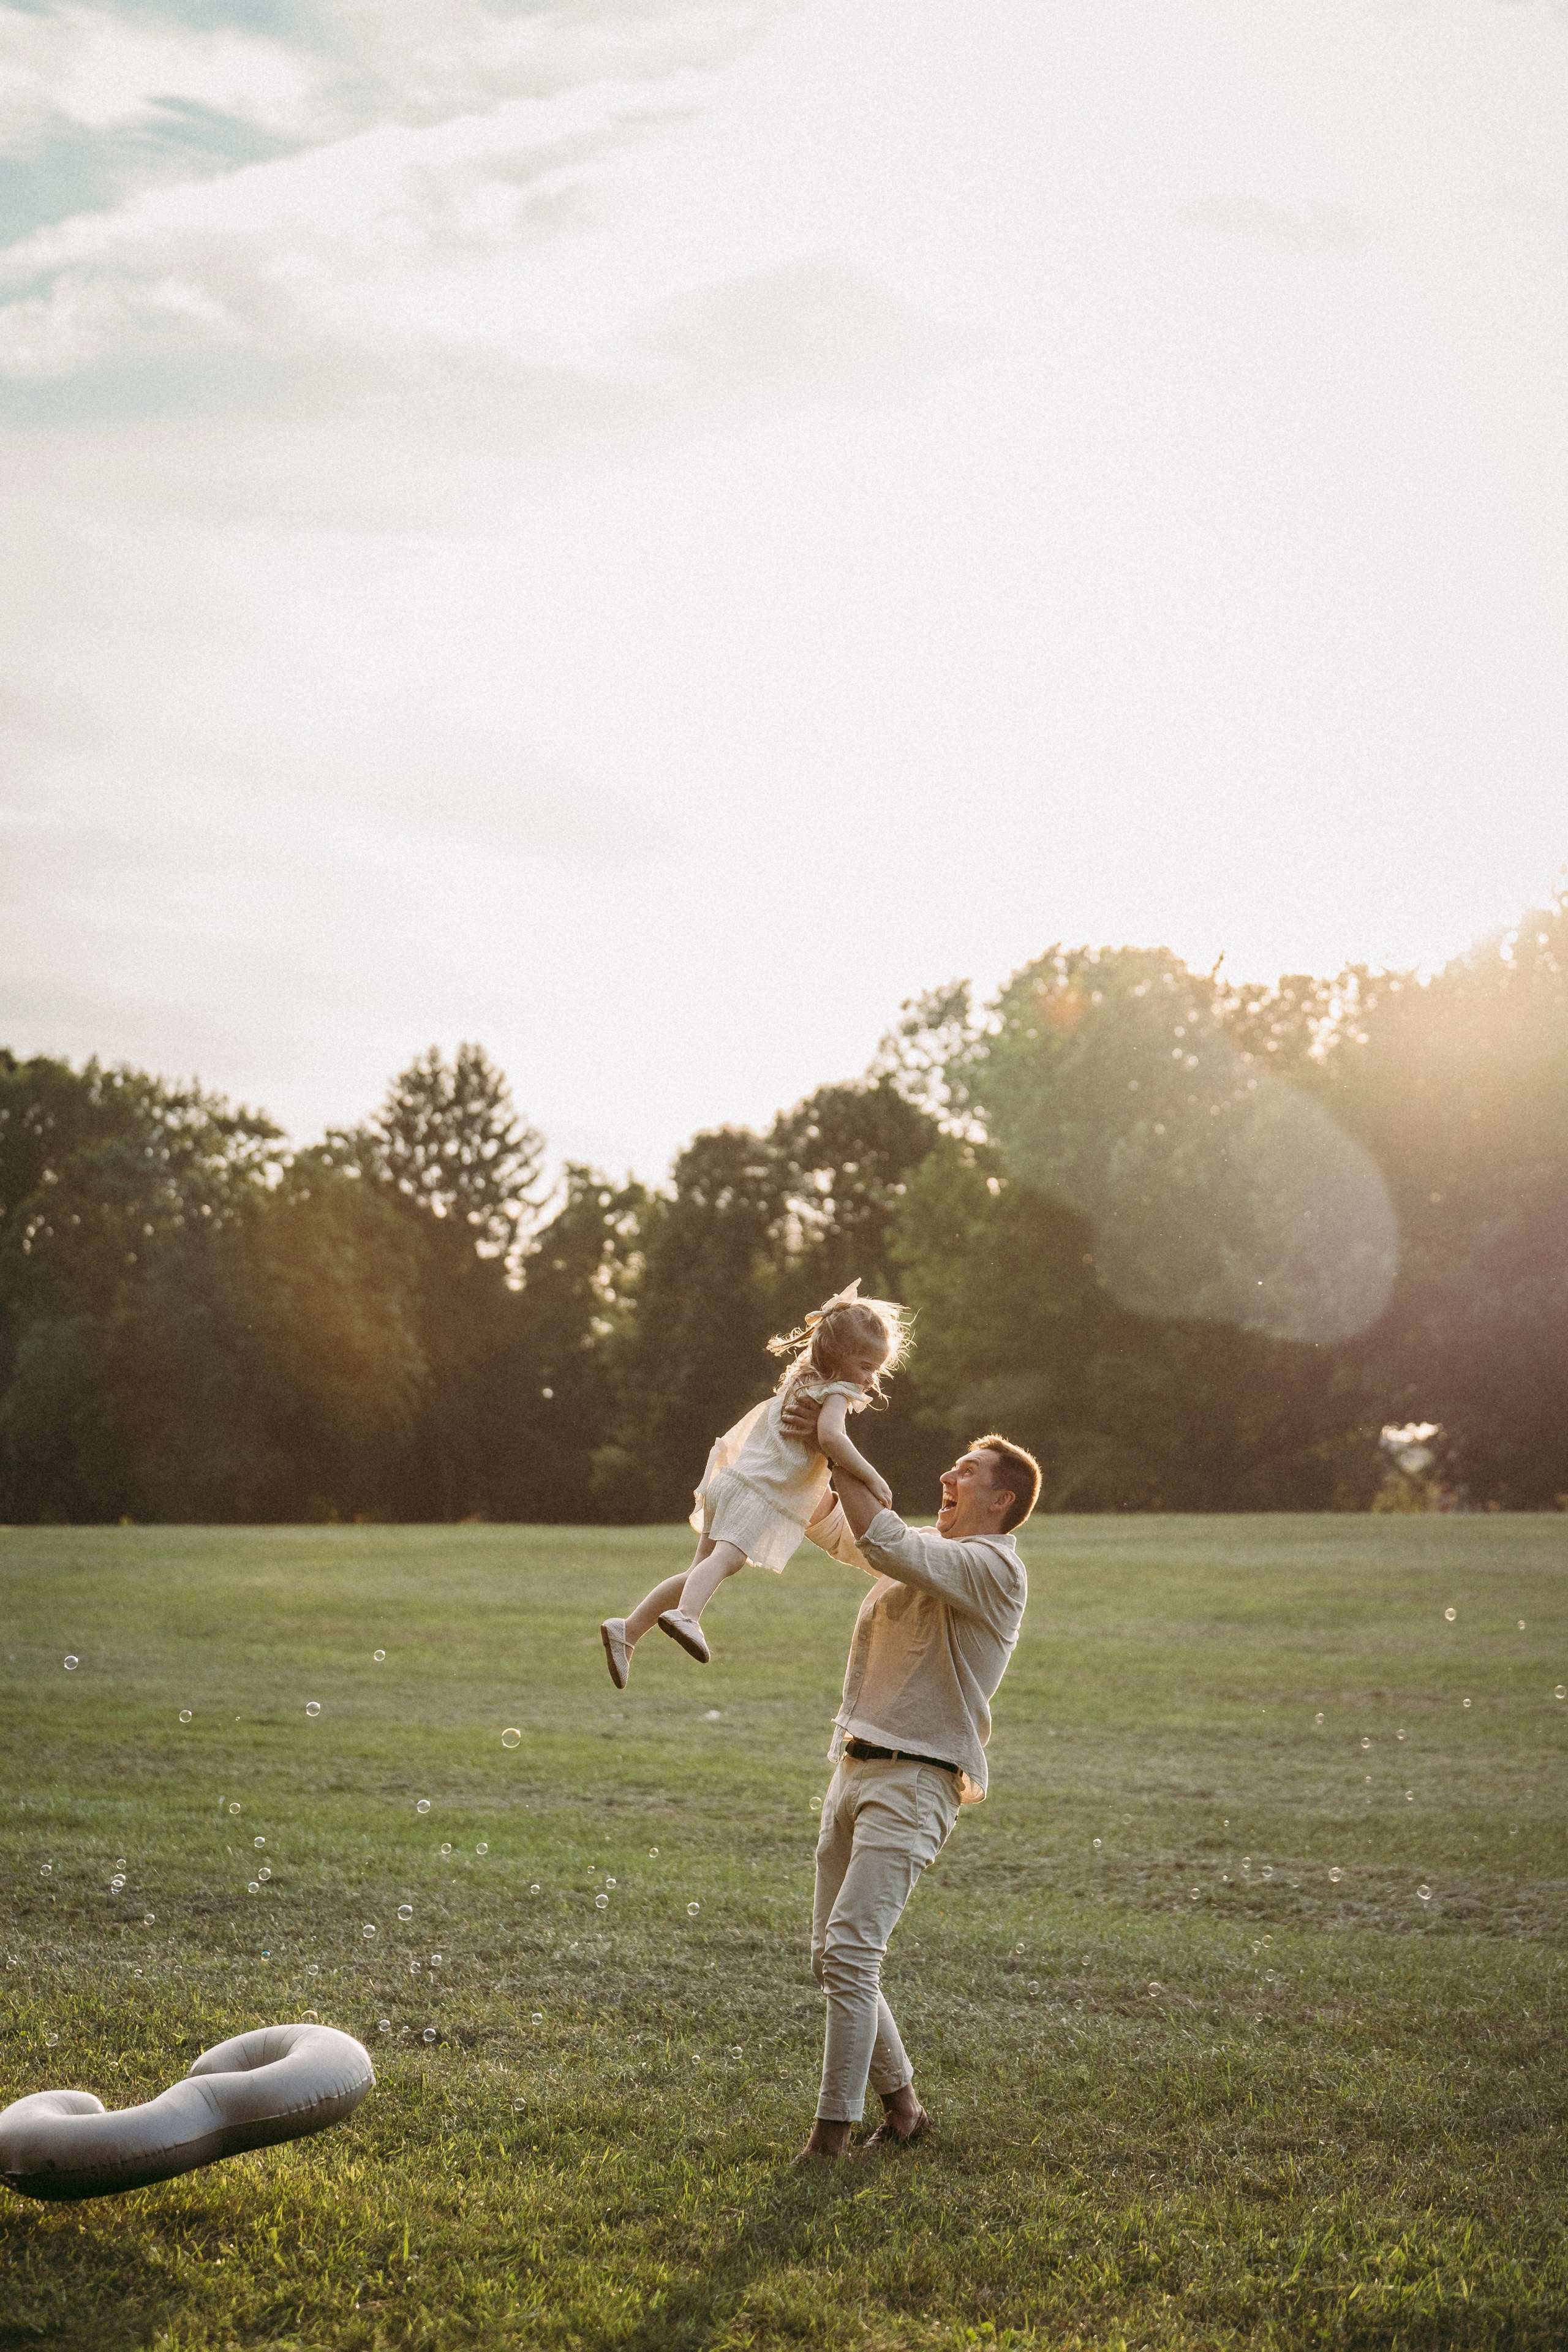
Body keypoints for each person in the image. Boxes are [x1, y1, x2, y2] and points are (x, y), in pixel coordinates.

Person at [782, 1409, 1040, 2162]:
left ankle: (829, 2137)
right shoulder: (934, 1549)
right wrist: (799, 1441)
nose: (948, 1476)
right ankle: (905, 2114)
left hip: (916, 1782)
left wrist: (838, 1439)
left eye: (967, 1472)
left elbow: (883, 1538)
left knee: (851, 1954)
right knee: (831, 1956)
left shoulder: (994, 1568)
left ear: (1000, 1500)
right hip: (855, 1768)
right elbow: (842, 1530)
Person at [598, 1281, 910, 1686]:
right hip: (759, 1493)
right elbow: (832, 1438)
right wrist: (872, 1475)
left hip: (731, 1483)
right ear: (838, 1358)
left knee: (698, 1571)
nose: (871, 1379)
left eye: (877, 1369)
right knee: (728, 1561)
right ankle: (687, 1615)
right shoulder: (836, 1391)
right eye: (866, 1367)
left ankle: (627, 1630)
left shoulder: (801, 1378)